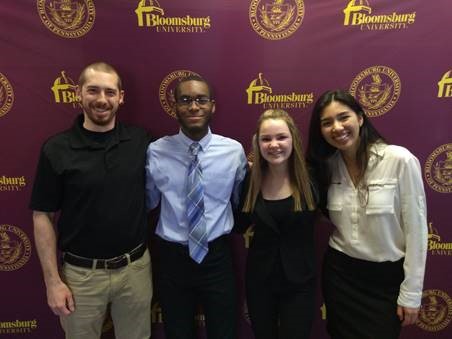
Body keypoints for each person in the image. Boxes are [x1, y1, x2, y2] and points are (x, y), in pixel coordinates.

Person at [30, 62, 152, 339]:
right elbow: (42, 216)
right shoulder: (56, 149)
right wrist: (52, 282)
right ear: (78, 93)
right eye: (93, 91)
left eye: (110, 92)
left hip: (135, 270)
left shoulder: (140, 140)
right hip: (80, 277)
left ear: (121, 97)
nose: (101, 100)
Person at [307, 89, 428, 338]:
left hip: (385, 282)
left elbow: (417, 231)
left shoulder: (399, 160)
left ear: (360, 118)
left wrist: (412, 293)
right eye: (327, 123)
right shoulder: (327, 167)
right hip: (340, 276)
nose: (337, 127)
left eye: (344, 117)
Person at [145, 75, 247, 339]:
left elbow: (239, 200)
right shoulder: (156, 151)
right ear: (175, 106)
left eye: (201, 100)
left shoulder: (233, 152)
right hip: (172, 259)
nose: (193, 107)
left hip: (216, 256)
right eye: (185, 100)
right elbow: (149, 201)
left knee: (223, 332)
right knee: (177, 333)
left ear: (212, 106)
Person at [235, 109, 318, 339]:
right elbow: (238, 225)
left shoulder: (311, 179)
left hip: (300, 282)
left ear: (293, 139)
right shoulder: (250, 182)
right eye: (266, 139)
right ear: (257, 143)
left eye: (281, 137)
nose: (274, 144)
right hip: (260, 282)